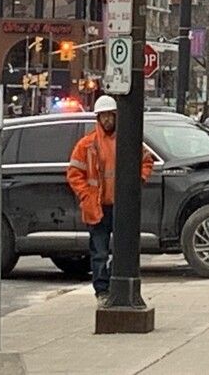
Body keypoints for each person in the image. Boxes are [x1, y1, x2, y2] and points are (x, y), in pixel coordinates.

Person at [67, 96, 154, 306]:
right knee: (99, 252)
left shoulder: (128, 141)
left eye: (110, 116)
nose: (107, 120)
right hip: (97, 207)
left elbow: (147, 161)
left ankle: (115, 287)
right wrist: (86, 194)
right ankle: (102, 292)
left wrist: (138, 181)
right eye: (103, 116)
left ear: (116, 116)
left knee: (123, 250)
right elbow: (74, 173)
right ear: (98, 118)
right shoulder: (86, 144)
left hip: (122, 206)